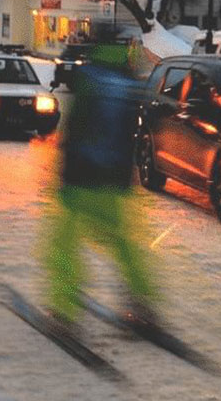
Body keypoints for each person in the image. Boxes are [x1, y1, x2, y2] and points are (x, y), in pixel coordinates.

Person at [43, 41, 158, 333]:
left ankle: (64, 309)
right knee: (123, 246)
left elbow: (74, 128)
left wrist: (63, 172)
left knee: (65, 244)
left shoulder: (89, 79)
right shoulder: (128, 84)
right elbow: (130, 135)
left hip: (81, 178)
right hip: (113, 182)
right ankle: (142, 303)